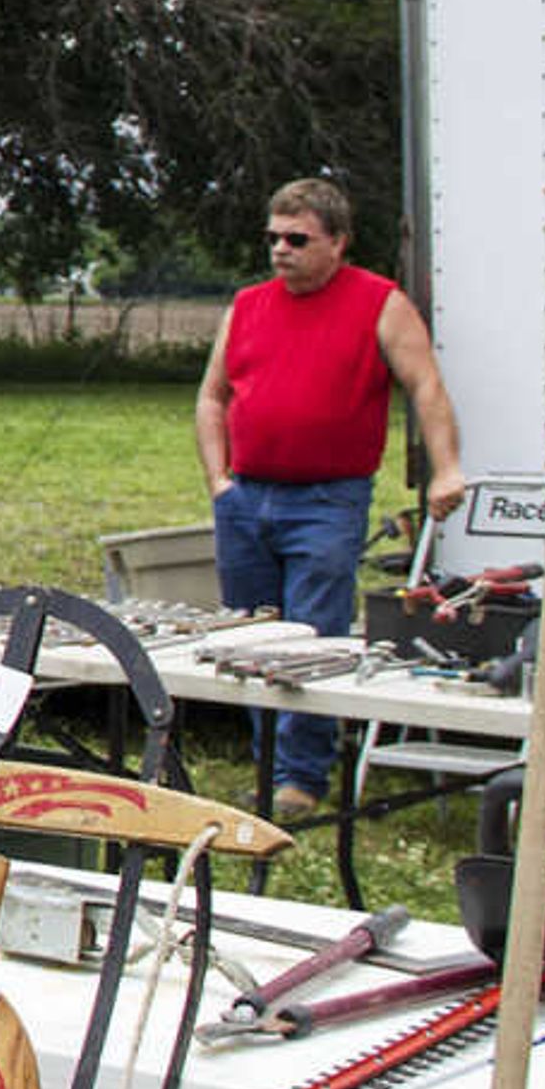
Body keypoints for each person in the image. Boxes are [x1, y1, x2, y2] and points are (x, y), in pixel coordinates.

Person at [196, 177, 467, 818]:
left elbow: (425, 387)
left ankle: (303, 779)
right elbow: (212, 397)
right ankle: (267, 771)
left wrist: (447, 469)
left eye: (297, 239)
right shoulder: (247, 306)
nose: (280, 251)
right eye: (273, 239)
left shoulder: (380, 304)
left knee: (312, 637)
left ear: (338, 243)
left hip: (327, 499)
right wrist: (219, 481)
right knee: (249, 639)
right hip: (247, 499)